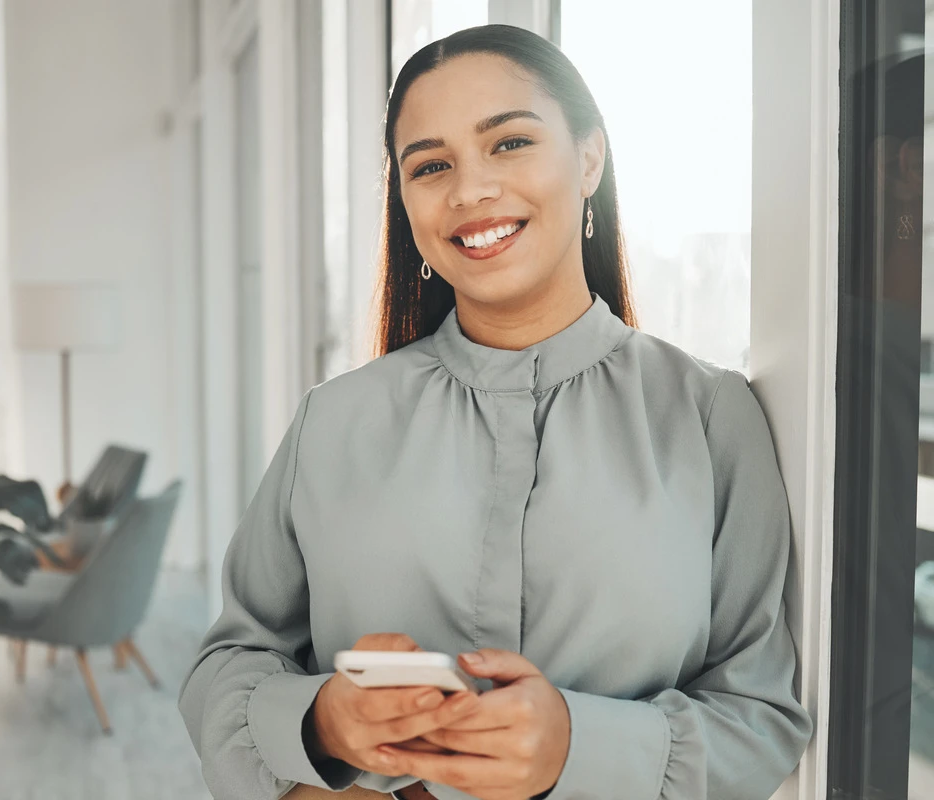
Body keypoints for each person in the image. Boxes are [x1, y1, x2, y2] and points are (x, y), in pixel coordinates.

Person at [179, 24, 812, 800]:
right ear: (406, 204)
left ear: (588, 157)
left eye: (508, 143)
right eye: (431, 165)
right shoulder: (333, 420)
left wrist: (576, 748)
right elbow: (224, 668)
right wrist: (322, 726)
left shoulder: (711, 416)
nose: (470, 190)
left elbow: (761, 718)